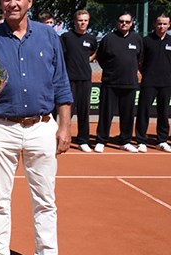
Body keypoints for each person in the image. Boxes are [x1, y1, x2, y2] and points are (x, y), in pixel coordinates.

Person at [0, 0, 77, 255]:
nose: (13, 3)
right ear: (0, 2)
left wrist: (64, 126)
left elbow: (61, 83)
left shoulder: (49, 36)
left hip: (42, 128)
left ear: (30, 2)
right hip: (0, 127)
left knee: (45, 199)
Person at [94, 11, 143, 153]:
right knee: (105, 114)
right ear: (117, 22)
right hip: (110, 83)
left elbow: (140, 58)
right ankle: (101, 140)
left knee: (127, 115)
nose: (124, 24)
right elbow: (101, 58)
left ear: (131, 23)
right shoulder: (108, 39)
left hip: (130, 84)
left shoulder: (137, 39)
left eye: (127, 22)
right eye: (121, 21)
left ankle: (125, 141)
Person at [61, 10, 98, 152]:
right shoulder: (66, 37)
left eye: (85, 20)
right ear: (75, 21)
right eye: (80, 20)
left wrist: (87, 59)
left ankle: (83, 141)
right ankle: (63, 138)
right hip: (69, 80)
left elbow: (95, 51)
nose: (83, 23)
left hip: (85, 80)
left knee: (84, 112)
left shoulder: (91, 39)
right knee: (67, 112)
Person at [135, 14, 171, 152]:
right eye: (159, 23)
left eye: (165, 24)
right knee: (143, 111)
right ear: (155, 24)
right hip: (148, 82)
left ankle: (161, 140)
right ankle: (141, 141)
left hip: (166, 83)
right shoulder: (146, 41)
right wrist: (146, 74)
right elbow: (139, 61)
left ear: (169, 25)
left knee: (163, 112)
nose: (162, 26)